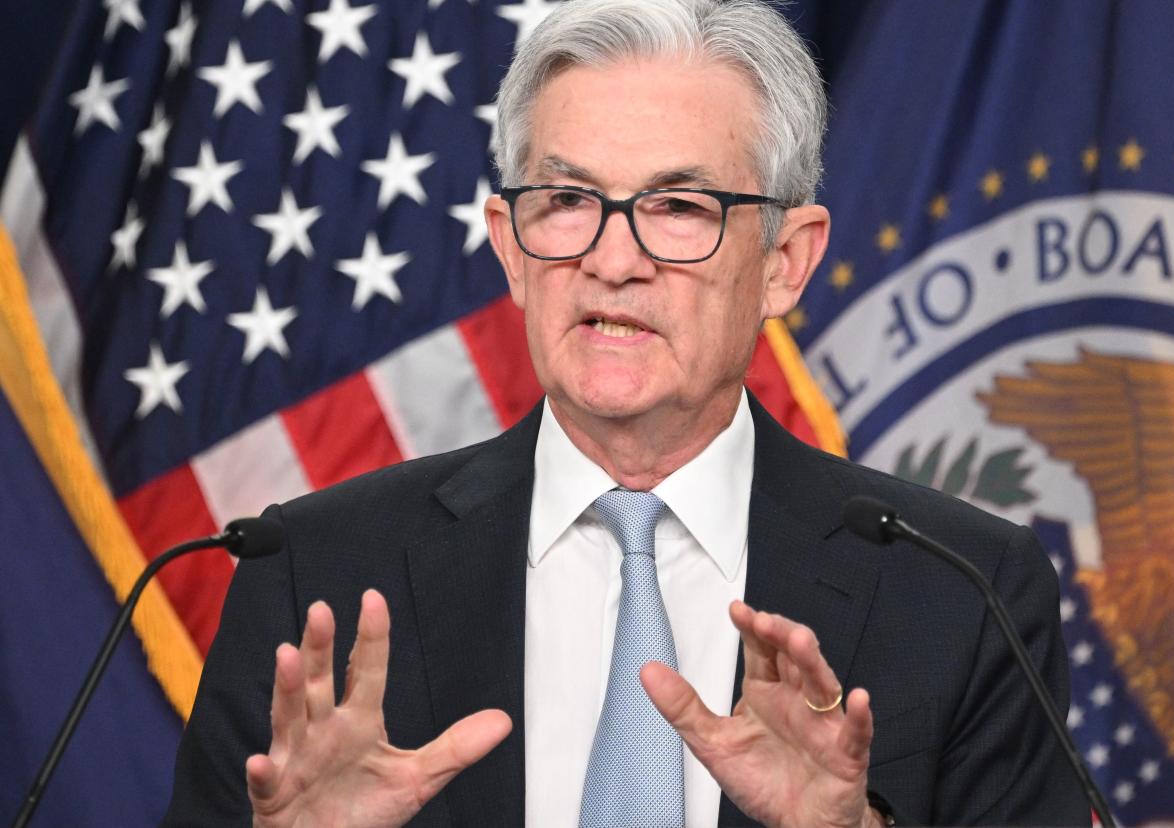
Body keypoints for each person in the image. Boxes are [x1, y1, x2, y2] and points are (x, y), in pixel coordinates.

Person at [164, 1, 1090, 826]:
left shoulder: (963, 592)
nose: (613, 260)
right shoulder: (309, 574)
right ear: (513, 249)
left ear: (787, 261)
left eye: (678, 206)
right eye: (569, 201)